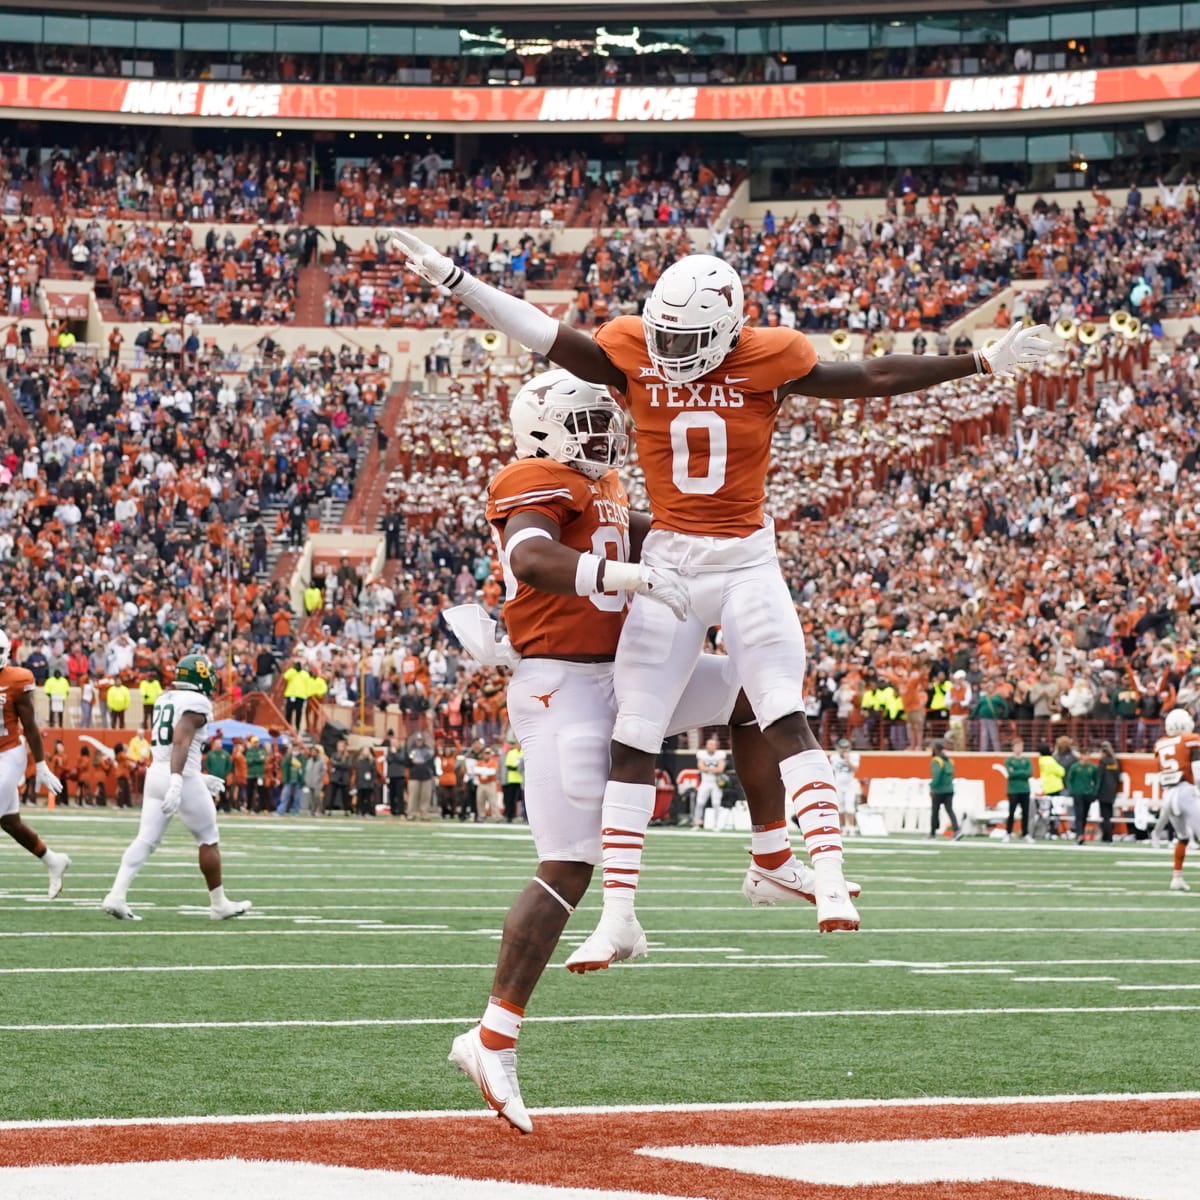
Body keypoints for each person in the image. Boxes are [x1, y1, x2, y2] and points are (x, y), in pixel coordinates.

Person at [389, 230, 1050, 959]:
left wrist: (978, 360)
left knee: (774, 703)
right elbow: (545, 334)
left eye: (690, 338)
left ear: (730, 329)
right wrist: (458, 281)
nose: (671, 352)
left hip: (740, 560)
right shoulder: (631, 354)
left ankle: (814, 868)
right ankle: (622, 914)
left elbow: (868, 376)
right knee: (635, 731)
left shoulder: (770, 356)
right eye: (665, 335)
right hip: (671, 558)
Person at [443, 370, 860, 1133]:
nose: (603, 434)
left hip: (623, 676)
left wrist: (726, 546)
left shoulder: (595, 483)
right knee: (567, 866)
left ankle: (770, 860)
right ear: (543, 426)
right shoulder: (530, 476)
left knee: (749, 692)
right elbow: (534, 558)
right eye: (587, 421)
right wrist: (623, 572)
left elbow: (656, 532)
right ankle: (492, 1036)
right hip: (561, 687)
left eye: (605, 420)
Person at [101, 654, 252, 921]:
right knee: (208, 837)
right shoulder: (197, 702)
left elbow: (171, 746)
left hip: (157, 773)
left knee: (145, 839)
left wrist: (196, 776)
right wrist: (179, 779)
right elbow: (180, 741)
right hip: (177, 775)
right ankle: (219, 905)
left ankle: (116, 895)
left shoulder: (164, 698)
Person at [0, 631, 70, 897]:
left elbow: (29, 726)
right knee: (9, 822)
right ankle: (53, 860)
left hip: (9, 753)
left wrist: (41, 765)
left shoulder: (15, 681)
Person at [1153, 709, 1200, 891]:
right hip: (1186, 792)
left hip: (1169, 795)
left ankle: (1177, 878)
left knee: (1183, 837)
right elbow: (1197, 770)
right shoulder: (1190, 740)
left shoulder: (1160, 744)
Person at [1002, 737, 1034, 842]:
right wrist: (1021, 772)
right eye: (1017, 746)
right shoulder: (1009, 760)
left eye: (1021, 746)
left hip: (1025, 789)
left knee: (1025, 813)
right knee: (1011, 812)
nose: (1019, 748)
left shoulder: (1026, 760)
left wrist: (1018, 772)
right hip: (1013, 790)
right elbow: (1011, 774)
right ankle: (1008, 832)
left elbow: (1029, 773)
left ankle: (1025, 833)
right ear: (1013, 748)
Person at [1067, 749, 1101, 845]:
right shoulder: (1075, 767)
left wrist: (1094, 792)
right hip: (1077, 794)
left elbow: (1096, 781)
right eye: (1085, 755)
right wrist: (1072, 790)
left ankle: (1081, 834)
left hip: (1088, 794)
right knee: (1079, 814)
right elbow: (1069, 779)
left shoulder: (1092, 768)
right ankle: (1079, 835)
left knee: (1085, 814)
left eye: (1088, 755)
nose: (1086, 757)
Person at [929, 739, 962, 838]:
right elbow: (952, 775)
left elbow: (936, 776)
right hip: (949, 789)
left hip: (939, 790)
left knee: (935, 811)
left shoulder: (936, 761)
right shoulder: (949, 761)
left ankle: (933, 833)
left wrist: (932, 787)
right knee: (950, 810)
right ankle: (956, 829)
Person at [692, 735, 727, 829]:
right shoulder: (701, 754)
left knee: (716, 803)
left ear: (716, 746)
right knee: (699, 802)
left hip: (716, 784)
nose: (711, 746)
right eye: (709, 744)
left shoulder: (720, 754)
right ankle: (697, 823)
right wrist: (712, 769)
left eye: (713, 744)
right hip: (705, 782)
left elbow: (720, 769)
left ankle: (716, 825)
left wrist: (707, 769)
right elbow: (700, 767)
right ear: (706, 746)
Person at [830, 738, 860, 836]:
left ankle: (851, 828)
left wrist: (847, 760)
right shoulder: (834, 757)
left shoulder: (854, 756)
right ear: (838, 748)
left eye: (846, 747)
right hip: (838, 785)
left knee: (849, 806)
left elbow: (855, 769)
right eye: (842, 748)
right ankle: (842, 828)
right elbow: (832, 772)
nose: (844, 750)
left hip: (850, 785)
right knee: (840, 807)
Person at [1037, 743, 1066, 839]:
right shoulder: (1050, 760)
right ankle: (1054, 830)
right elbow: (1061, 771)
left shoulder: (1041, 760)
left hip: (1047, 786)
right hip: (1055, 787)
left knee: (1049, 810)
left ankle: (1050, 830)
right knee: (1055, 811)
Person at [1095, 741, 1122, 844]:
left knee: (1104, 815)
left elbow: (1100, 777)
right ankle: (1109, 835)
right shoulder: (1115, 762)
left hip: (1103, 791)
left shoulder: (1103, 761)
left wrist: (1096, 791)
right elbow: (1117, 777)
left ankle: (1107, 836)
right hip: (1112, 791)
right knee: (1109, 815)